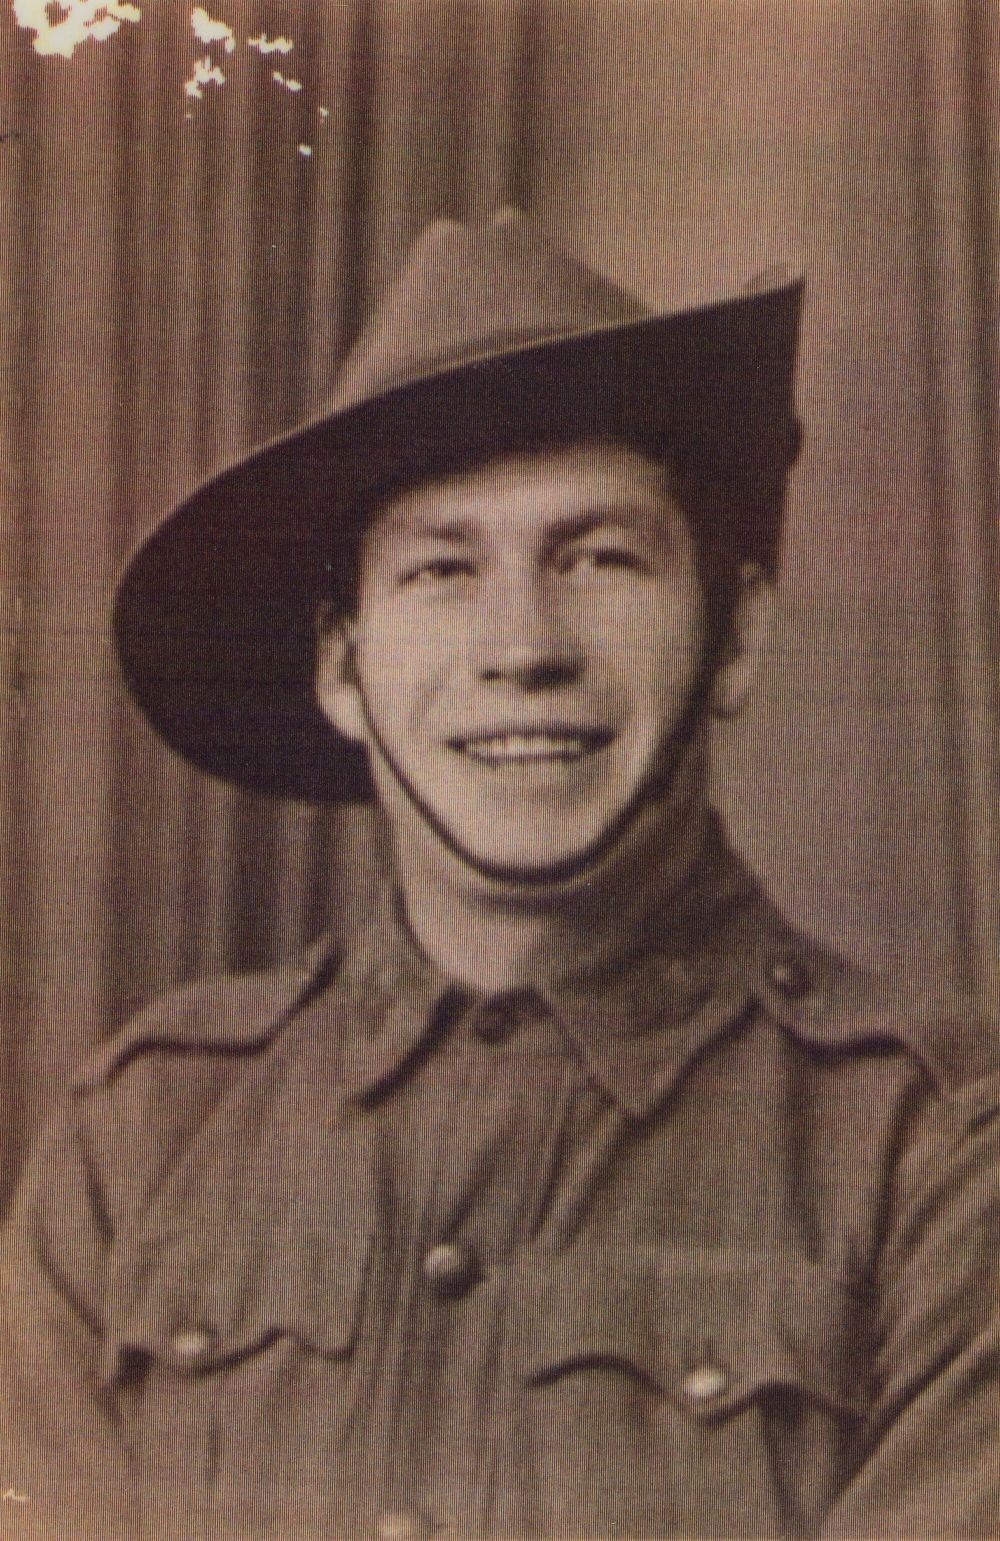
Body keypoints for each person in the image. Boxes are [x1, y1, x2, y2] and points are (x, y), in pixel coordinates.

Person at [2, 211, 998, 1541]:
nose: (520, 645)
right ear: (343, 668)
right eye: (441, 570)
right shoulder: (136, 1146)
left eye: (598, 558)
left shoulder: (932, 1156)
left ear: (737, 638)